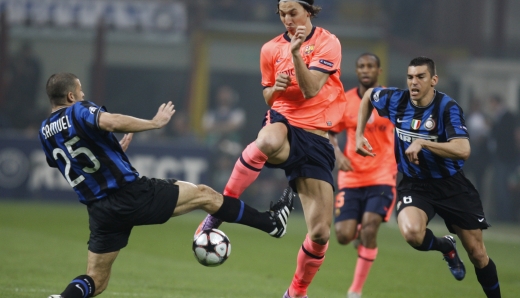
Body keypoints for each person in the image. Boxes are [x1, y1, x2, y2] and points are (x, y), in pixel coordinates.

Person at [40, 73, 294, 298]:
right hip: (130, 193)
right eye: (81, 90)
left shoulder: (45, 132)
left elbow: (76, 159)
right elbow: (111, 121)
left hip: (100, 211)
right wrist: (154, 123)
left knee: (96, 280)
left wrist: (113, 151)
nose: (84, 94)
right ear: (71, 95)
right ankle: (271, 224)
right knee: (205, 195)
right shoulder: (78, 109)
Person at [196, 1, 347, 297]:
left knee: (320, 234)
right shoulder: (269, 49)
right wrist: (276, 88)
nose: (287, 19)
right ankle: (219, 212)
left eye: (293, 13)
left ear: (309, 12)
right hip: (284, 121)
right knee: (266, 141)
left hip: (316, 138)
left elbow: (312, 89)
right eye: (282, 14)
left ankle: (296, 292)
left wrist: (295, 54)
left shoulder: (328, 42)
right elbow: (268, 96)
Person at [355, 57, 501, 298]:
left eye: (420, 77)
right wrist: (359, 134)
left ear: (433, 80)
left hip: (452, 185)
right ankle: (446, 246)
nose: (414, 82)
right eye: (410, 77)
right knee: (412, 233)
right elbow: (370, 95)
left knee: (477, 254)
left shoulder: (447, 108)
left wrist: (423, 143)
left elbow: (463, 149)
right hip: (415, 185)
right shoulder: (396, 100)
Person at [328, 53, 396, 298]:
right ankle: (357, 235)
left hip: (382, 175)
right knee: (343, 236)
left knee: (369, 229)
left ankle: (355, 291)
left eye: (370, 66)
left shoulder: (393, 99)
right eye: (361, 66)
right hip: (351, 177)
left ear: (379, 70)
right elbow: (330, 132)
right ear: (356, 71)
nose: (365, 70)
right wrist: (337, 154)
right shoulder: (345, 101)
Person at [488, 95, 519, 222]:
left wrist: (492, 126)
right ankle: (502, 215)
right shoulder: (501, 117)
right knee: (500, 188)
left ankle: (505, 217)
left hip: (504, 158)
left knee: (503, 189)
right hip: (500, 157)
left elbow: (504, 135)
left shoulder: (507, 117)